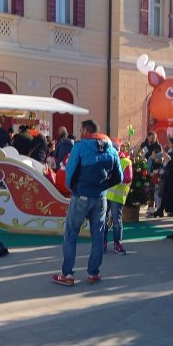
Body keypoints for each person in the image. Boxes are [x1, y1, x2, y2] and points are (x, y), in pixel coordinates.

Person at [52, 119, 122, 286]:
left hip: (81, 195)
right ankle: (93, 273)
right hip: (100, 198)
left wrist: (72, 188)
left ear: (85, 131)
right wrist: (104, 186)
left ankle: (67, 274)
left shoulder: (80, 146)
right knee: (98, 235)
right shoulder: (111, 148)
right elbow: (118, 176)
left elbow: (70, 172)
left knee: (71, 234)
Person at [104, 139, 133, 255]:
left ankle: (117, 244)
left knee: (116, 221)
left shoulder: (126, 161)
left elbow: (128, 178)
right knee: (103, 220)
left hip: (117, 197)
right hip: (106, 194)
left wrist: (113, 177)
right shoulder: (108, 159)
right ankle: (102, 243)